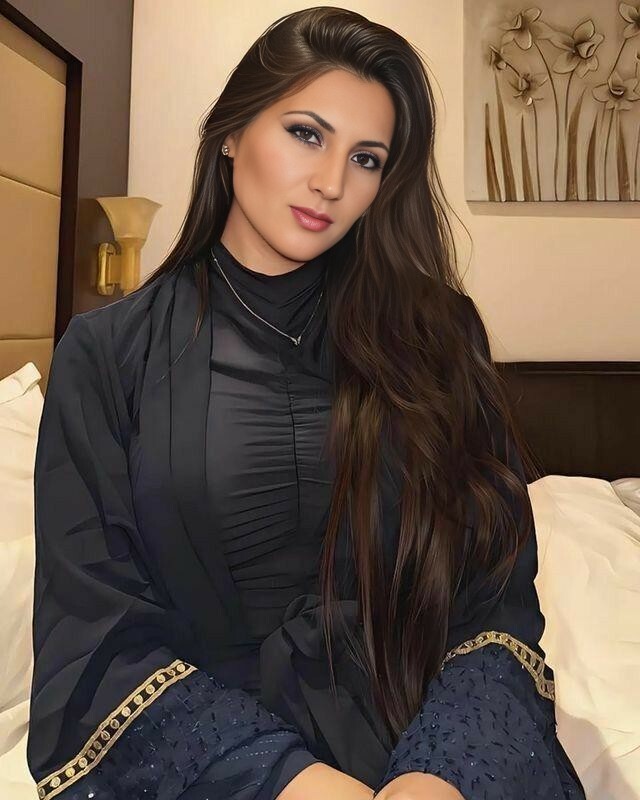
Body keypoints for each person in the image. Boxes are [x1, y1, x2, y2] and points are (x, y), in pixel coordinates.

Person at [27, 7, 586, 800]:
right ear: (231, 133)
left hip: (438, 751)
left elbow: (496, 600)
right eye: (305, 134)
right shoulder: (107, 354)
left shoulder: (437, 336)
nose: (331, 183)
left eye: (366, 158)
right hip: (213, 765)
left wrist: (440, 775)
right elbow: (95, 636)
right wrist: (293, 782)